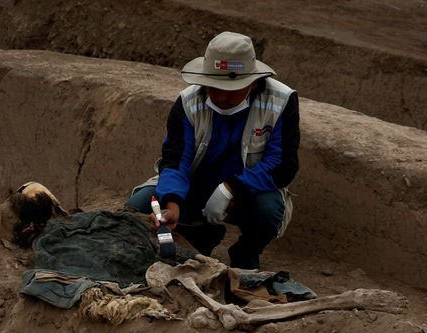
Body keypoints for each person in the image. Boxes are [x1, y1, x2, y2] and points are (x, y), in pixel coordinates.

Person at [125, 31, 300, 269]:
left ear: (253, 82)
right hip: (193, 185)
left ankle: (245, 256)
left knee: (269, 209)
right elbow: (176, 161)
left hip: (246, 192)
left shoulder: (280, 102)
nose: (221, 97)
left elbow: (282, 166)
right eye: (214, 87)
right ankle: (197, 236)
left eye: (231, 90)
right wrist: (172, 205)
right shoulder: (188, 102)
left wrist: (232, 188)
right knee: (140, 204)